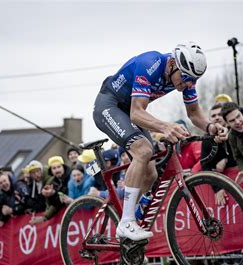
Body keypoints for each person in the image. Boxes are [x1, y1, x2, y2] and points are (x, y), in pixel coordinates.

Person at [92, 42, 226, 241]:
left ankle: (127, 219)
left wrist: (210, 127)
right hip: (109, 105)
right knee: (143, 151)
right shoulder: (151, 63)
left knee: (151, 172)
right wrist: (165, 126)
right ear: (172, 64)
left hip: (129, 111)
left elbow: (194, 112)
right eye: (187, 78)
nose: (189, 84)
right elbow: (137, 112)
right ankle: (126, 222)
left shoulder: (185, 76)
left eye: (194, 80)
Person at [201, 103, 237, 205]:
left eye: (219, 114)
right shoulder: (206, 140)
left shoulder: (235, 131)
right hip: (218, 181)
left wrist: (226, 161)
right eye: (213, 116)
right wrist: (217, 189)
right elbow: (204, 166)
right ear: (210, 120)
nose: (216, 118)